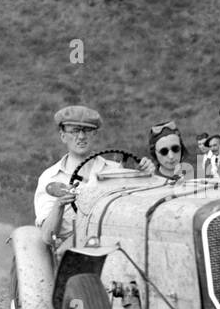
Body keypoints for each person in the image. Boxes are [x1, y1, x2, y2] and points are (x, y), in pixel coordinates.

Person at [35, 105, 153, 251]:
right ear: (63, 135)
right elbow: (48, 237)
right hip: (70, 250)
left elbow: (137, 210)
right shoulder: (50, 178)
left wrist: (145, 175)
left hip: (113, 245)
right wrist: (59, 204)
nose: (81, 137)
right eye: (75, 131)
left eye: (87, 130)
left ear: (95, 134)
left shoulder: (115, 171)